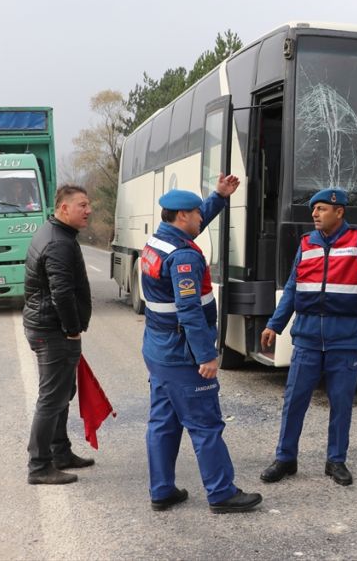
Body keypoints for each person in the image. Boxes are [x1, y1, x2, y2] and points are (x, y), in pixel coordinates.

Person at [259, 188, 357, 487]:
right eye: (314, 209)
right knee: (294, 401)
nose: (315, 214)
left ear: (339, 212)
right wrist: (275, 324)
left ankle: (336, 461)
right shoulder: (306, 244)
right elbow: (292, 288)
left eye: (322, 209)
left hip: (345, 340)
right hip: (308, 339)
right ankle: (286, 458)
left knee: (341, 404)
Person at [140, 175, 262, 514]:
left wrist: (218, 198)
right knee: (205, 424)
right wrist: (206, 355)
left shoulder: (158, 242)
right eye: (196, 214)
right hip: (182, 354)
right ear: (182, 217)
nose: (199, 219)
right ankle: (222, 493)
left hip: (158, 349)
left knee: (163, 421)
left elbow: (195, 224)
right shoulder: (184, 258)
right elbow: (190, 310)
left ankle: (162, 490)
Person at [22, 184, 94, 485]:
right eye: (82, 205)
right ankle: (39, 467)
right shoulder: (59, 242)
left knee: (63, 393)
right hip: (52, 330)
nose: (88, 210)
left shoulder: (57, 234)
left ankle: (60, 452)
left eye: (89, 205)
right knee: (52, 398)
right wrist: (72, 329)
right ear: (64, 208)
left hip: (46, 326)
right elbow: (61, 292)